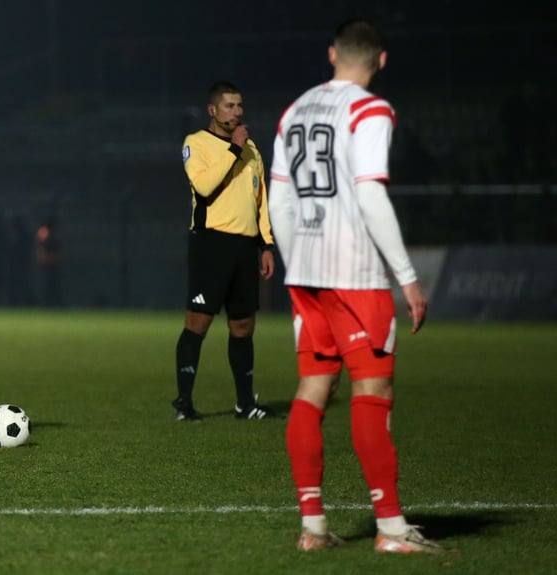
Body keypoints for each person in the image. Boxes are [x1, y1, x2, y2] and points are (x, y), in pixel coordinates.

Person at [267, 19, 450, 554]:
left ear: (331, 54)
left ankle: (313, 528)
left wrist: (295, 256)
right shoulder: (372, 110)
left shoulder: (293, 111)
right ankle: (392, 531)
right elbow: (370, 195)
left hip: (306, 270)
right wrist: (408, 278)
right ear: (382, 60)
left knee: (312, 389)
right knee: (373, 391)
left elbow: (278, 200)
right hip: (354, 273)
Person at [172, 81, 278, 422]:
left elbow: (261, 201)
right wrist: (233, 149)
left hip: (246, 247)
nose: (237, 111)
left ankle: (245, 404)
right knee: (198, 323)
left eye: (240, 106)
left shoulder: (252, 151)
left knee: (244, 325)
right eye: (230, 106)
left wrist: (266, 245)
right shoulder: (196, 143)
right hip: (211, 244)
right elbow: (203, 186)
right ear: (213, 110)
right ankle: (184, 403)